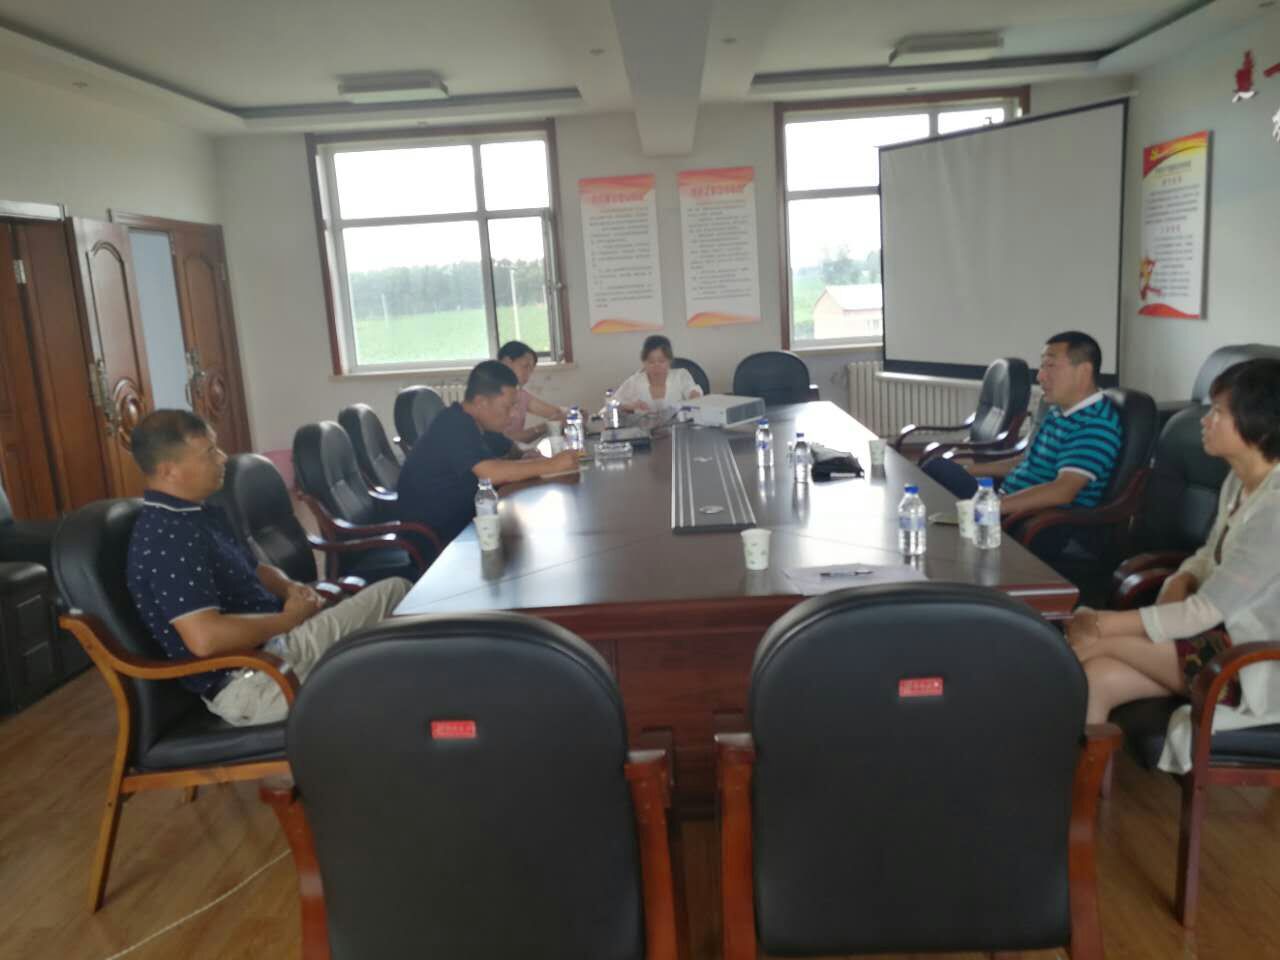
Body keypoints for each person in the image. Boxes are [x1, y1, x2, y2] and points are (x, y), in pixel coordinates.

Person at [125, 410, 411, 727]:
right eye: (209, 452)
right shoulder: (168, 538)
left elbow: (255, 569)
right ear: (169, 470)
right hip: (253, 681)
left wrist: (290, 588)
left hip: (277, 649)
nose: (222, 458)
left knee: (393, 610)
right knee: (395, 603)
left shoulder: (195, 515)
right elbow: (204, 638)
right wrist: (287, 619)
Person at [1067, 358, 1280, 772]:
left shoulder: (1274, 508)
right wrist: (1181, 577)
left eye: (1218, 411)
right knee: (1098, 675)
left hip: (1251, 665)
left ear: (1259, 423)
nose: (1205, 420)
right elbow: (1209, 552)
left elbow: (1206, 610)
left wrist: (1104, 622)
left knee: (1091, 642)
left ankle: (1037, 767)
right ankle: (1082, 793)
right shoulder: (1239, 481)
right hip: (1216, 641)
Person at [922, 331, 1123, 552]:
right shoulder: (1060, 412)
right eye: (1042, 367)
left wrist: (992, 507)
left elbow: (1063, 491)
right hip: (1009, 505)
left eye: (1050, 366)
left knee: (937, 472)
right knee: (940, 467)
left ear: (1084, 371)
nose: (1040, 377)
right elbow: (1025, 461)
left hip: (1039, 523)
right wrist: (968, 470)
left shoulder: (1095, 424)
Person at [397, 360, 580, 544]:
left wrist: (527, 456)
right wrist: (551, 464)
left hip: (473, 521)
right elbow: (490, 473)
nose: (513, 414)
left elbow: (512, 450)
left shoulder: (480, 424)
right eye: (507, 407)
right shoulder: (454, 424)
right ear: (481, 402)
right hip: (441, 537)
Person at [613, 335, 704, 414]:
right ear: (644, 362)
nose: (656, 366)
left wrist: (694, 397)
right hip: (644, 428)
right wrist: (630, 406)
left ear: (669, 361)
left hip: (679, 427)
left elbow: (694, 394)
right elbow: (612, 403)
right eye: (651, 362)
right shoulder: (635, 381)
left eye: (661, 361)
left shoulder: (681, 376)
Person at [497, 340, 566, 443]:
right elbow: (502, 441)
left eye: (531, 369)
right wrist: (545, 426)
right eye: (525, 366)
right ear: (507, 362)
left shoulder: (521, 395)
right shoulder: (491, 396)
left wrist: (572, 413)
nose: (528, 373)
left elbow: (555, 413)